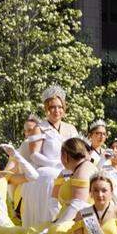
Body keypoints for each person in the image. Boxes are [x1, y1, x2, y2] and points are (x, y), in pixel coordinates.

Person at [26, 85, 79, 225]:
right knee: (51, 177)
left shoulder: (71, 128)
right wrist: (55, 163)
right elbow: (34, 155)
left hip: (69, 168)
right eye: (53, 107)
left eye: (60, 107)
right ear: (47, 109)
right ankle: (49, 221)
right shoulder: (40, 128)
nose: (57, 110)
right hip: (48, 168)